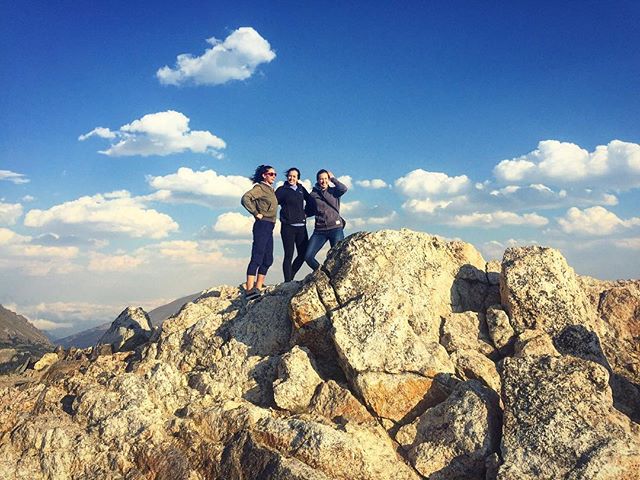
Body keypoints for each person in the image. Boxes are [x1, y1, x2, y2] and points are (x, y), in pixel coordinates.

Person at [241, 165, 278, 300]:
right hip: (262, 225)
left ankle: (258, 287)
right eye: (271, 174)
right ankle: (249, 290)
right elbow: (245, 198)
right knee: (257, 256)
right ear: (264, 175)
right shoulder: (260, 188)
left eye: (275, 174)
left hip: (270, 226)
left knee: (268, 259)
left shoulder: (269, 189)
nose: (273, 176)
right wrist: (256, 213)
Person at [304, 169, 348, 271]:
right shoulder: (313, 195)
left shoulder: (334, 191)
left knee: (337, 256)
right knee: (308, 256)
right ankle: (322, 273)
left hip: (336, 228)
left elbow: (344, 188)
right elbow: (309, 210)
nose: (323, 181)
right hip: (319, 231)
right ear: (317, 180)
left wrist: (333, 179)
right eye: (321, 179)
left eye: (325, 178)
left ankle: (335, 278)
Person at [275, 167, 311, 282]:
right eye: (290, 176)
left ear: (298, 178)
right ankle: (287, 282)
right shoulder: (282, 190)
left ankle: (291, 276)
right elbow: (273, 203)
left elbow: (311, 201)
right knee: (288, 255)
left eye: (294, 176)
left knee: (303, 254)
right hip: (288, 227)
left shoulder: (301, 189)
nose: (291, 178)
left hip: (301, 227)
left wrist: (307, 213)